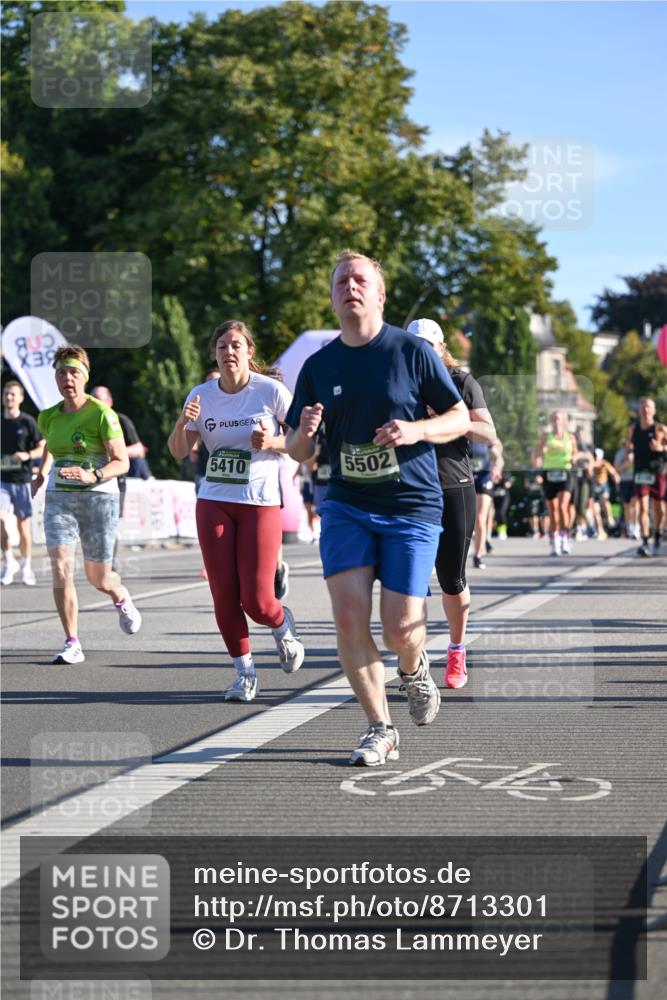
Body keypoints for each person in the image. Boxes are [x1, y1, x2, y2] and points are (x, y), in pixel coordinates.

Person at [285, 250, 470, 767]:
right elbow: (300, 450)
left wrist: (415, 430)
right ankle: (379, 727)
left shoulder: (411, 351)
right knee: (348, 617)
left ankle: (413, 669)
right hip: (346, 502)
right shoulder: (320, 366)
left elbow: (458, 419)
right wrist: (302, 434)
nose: (351, 286)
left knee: (398, 628)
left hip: (412, 503)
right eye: (341, 279)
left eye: (360, 278)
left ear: (380, 294)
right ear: (333, 295)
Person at [168, 320, 305, 702]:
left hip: (259, 502)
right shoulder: (201, 395)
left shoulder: (271, 391)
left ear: (249, 352)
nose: (229, 352)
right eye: (222, 346)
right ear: (214, 353)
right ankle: (244, 673)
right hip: (214, 500)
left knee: (257, 601)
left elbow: (302, 443)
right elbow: (179, 450)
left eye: (236, 346)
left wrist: (274, 442)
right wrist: (183, 422)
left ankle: (281, 625)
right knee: (223, 594)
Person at [32, 346, 142, 664]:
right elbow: (51, 447)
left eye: (74, 372)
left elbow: (121, 462)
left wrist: (92, 474)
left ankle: (120, 596)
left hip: (99, 499)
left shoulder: (101, 414)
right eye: (62, 372)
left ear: (85, 376)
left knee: (99, 578)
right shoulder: (48, 416)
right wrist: (41, 473)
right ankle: (72, 642)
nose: (68, 378)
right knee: (61, 568)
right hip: (60, 499)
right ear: (55, 377)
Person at [407, 317, 496, 691]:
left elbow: (489, 433)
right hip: (409, 488)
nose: (420, 356)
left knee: (451, 579)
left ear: (441, 349)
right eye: (412, 349)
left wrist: (449, 421)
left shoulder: (461, 382)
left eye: (427, 348)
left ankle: (457, 648)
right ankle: (415, 657)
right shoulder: (399, 385)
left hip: (453, 485)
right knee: (409, 584)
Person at [1, 380, 45, 586]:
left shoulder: (28, 422)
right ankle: (9, 561)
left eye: (12, 394)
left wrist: (26, 455)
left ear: (20, 398)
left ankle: (26, 566)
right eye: (6, 394)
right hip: (2, 480)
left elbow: (42, 447)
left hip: (22, 480)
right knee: (0, 520)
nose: (9, 397)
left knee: (23, 525)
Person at [532, 411, 583, 556]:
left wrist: (575, 457)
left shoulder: (570, 437)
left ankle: (565, 537)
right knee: (553, 510)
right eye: (554, 419)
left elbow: (577, 452)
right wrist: (537, 461)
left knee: (562, 506)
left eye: (559, 419)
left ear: (564, 421)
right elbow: (536, 453)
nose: (556, 421)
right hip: (549, 473)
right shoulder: (545, 436)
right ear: (551, 421)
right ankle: (555, 542)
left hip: (565, 473)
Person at [630, 397, 667, 557]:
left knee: (658, 508)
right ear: (639, 410)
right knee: (643, 506)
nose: (645, 410)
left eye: (649, 407)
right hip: (640, 472)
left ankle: (657, 534)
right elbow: (630, 445)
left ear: (654, 410)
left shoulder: (660, 428)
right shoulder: (634, 429)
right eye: (643, 407)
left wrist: (661, 447)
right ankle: (645, 540)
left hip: (657, 471)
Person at [591, 447, 620, 539]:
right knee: (596, 511)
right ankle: (600, 530)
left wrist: (616, 479)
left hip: (603, 485)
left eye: (597, 456)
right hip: (594, 486)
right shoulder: (591, 464)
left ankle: (610, 517)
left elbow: (613, 472)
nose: (595, 458)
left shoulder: (605, 463)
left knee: (605, 499)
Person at [614, 437, 639, 539]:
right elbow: (616, 468)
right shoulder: (621, 453)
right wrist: (627, 463)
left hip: (636, 480)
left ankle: (636, 525)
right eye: (628, 443)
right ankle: (629, 525)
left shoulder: (638, 452)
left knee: (635, 503)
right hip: (625, 481)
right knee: (627, 505)